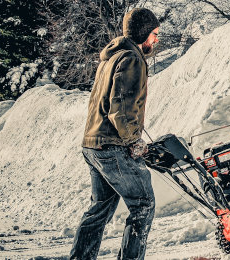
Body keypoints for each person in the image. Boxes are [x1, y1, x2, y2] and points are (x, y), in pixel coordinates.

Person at [71, 8, 160, 260]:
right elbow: (120, 106)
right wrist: (133, 140)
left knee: (100, 208)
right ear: (143, 32)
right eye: (154, 34)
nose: (156, 39)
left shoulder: (111, 57)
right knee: (143, 204)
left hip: (93, 143)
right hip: (112, 146)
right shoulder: (132, 59)